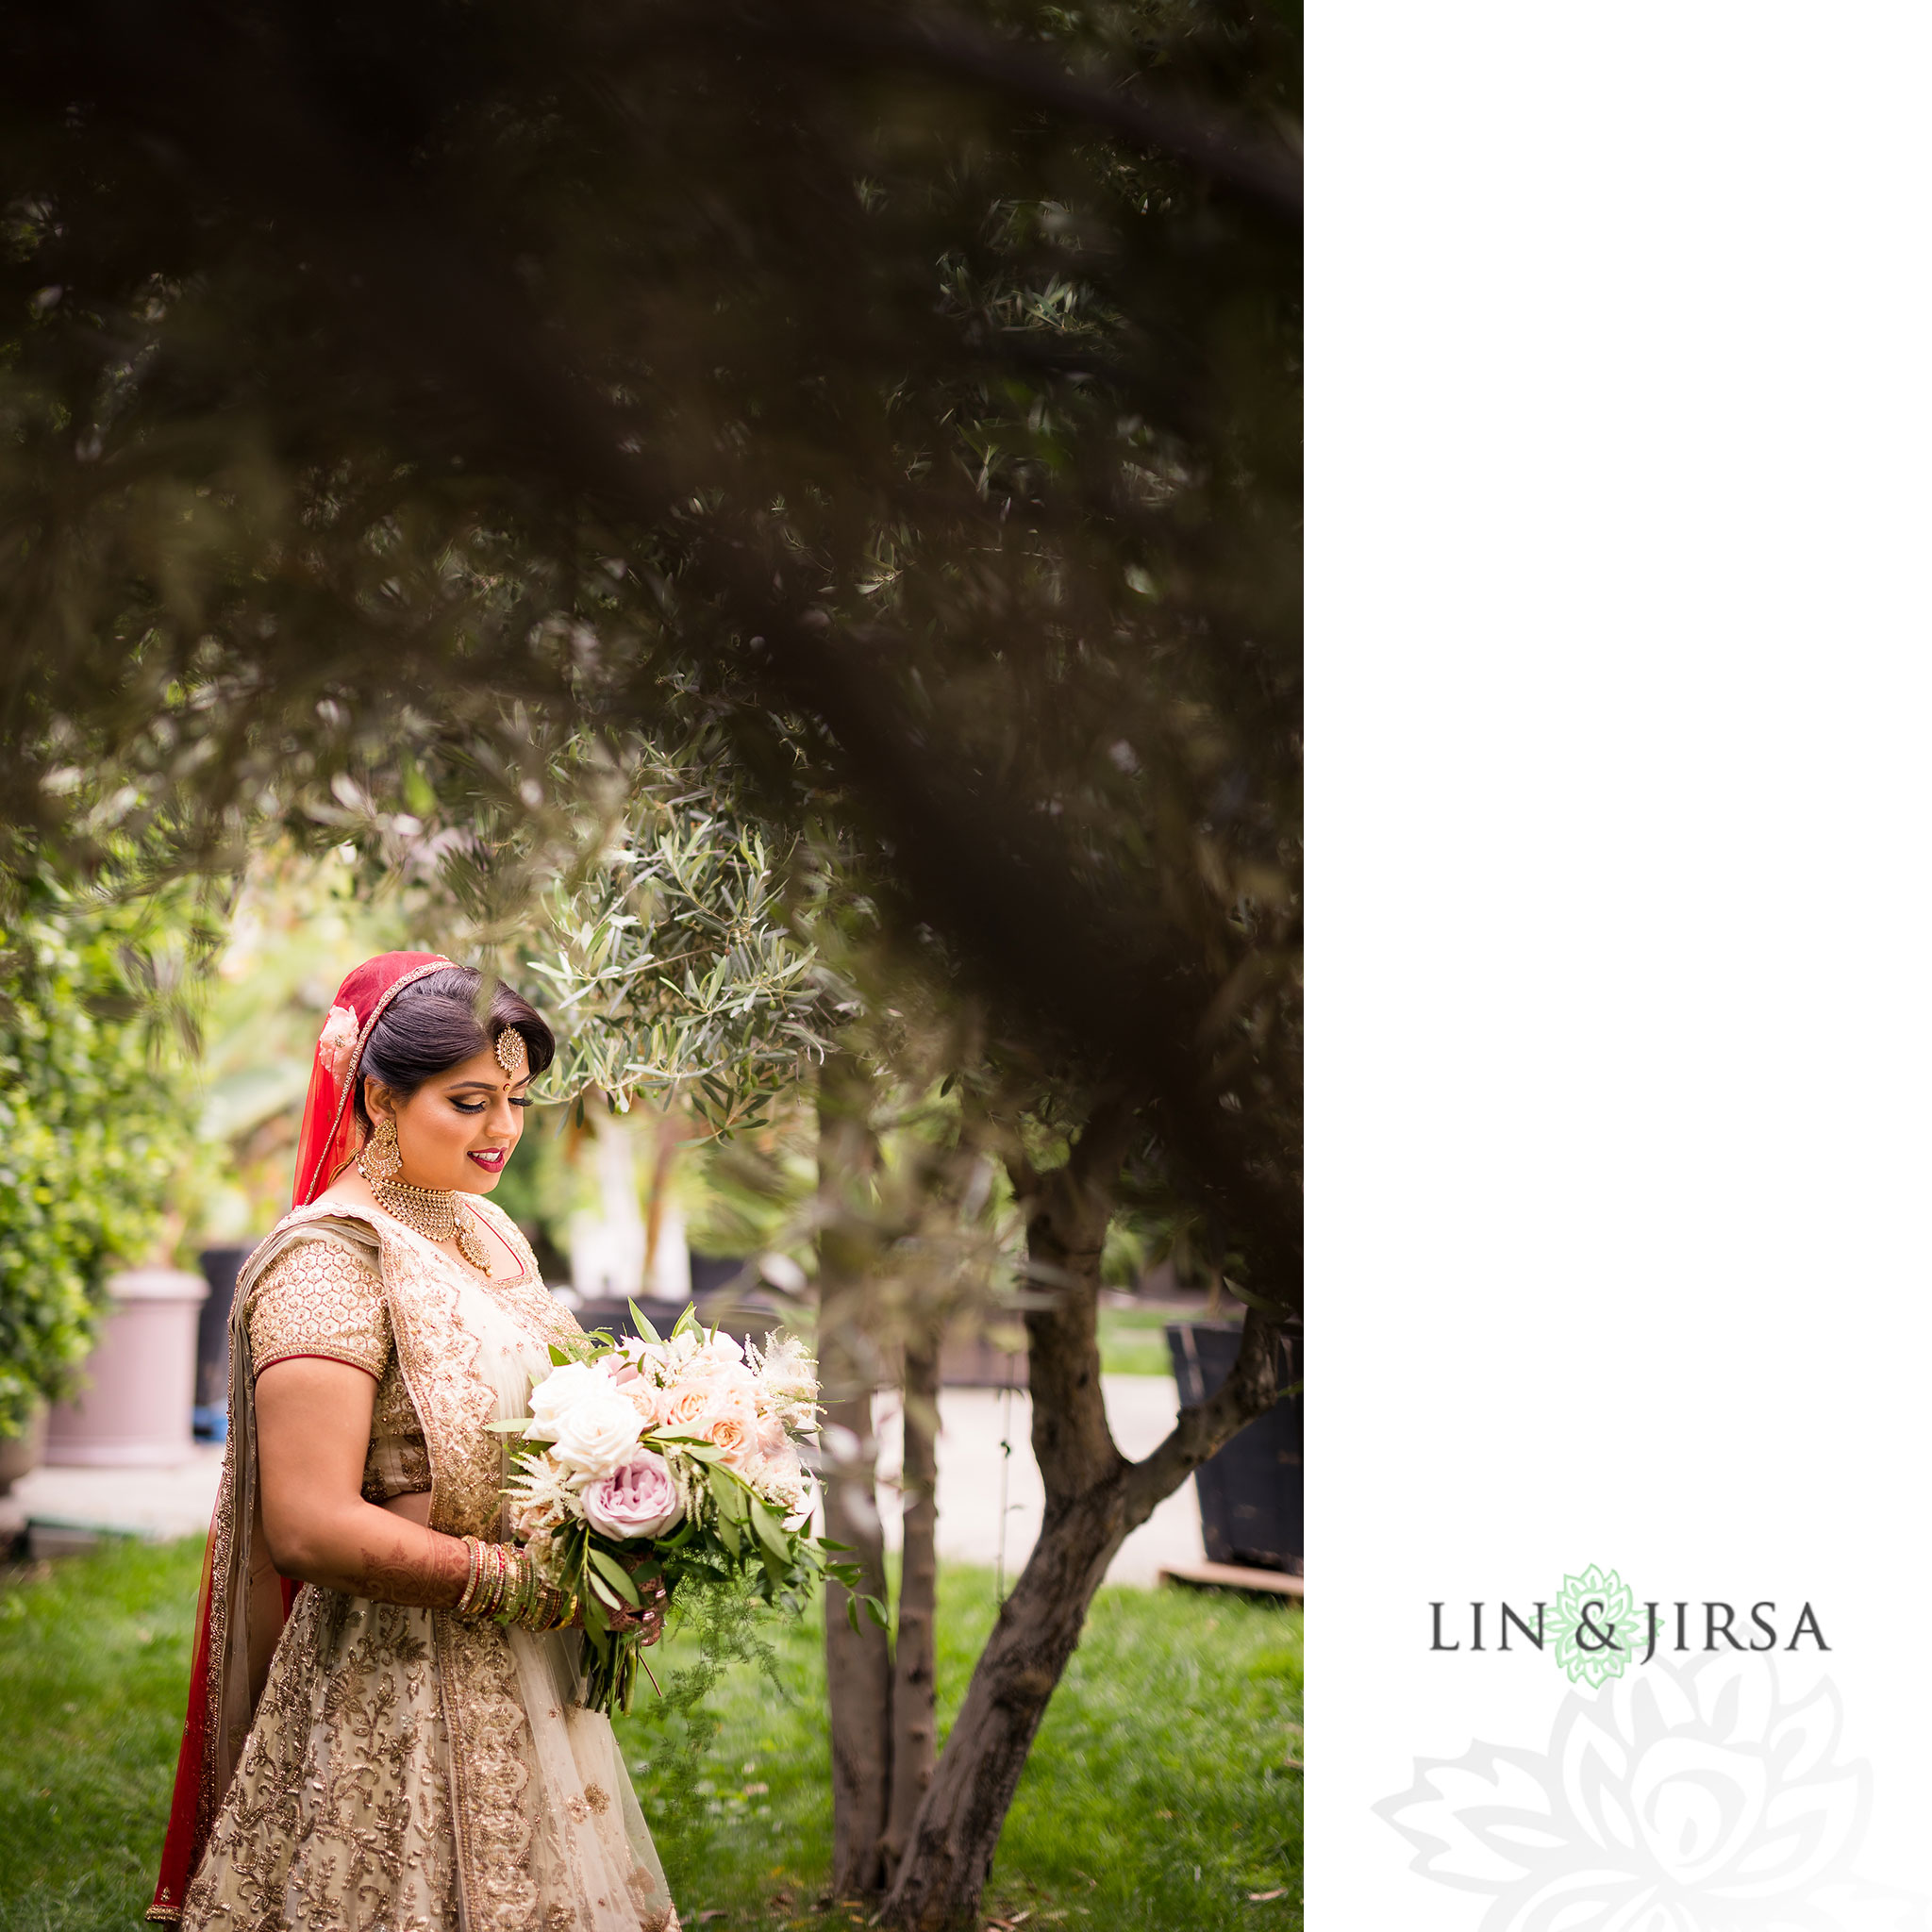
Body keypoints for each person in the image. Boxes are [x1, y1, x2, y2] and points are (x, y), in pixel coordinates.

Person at [149, 951, 679, 1932]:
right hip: (392, 1689)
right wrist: (534, 1587)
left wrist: (626, 1536)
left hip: (533, 1679)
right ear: (382, 1096)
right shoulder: (328, 1260)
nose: (504, 1130)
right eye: (470, 1100)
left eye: (517, 1099)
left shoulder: (487, 1230)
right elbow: (307, 1527)